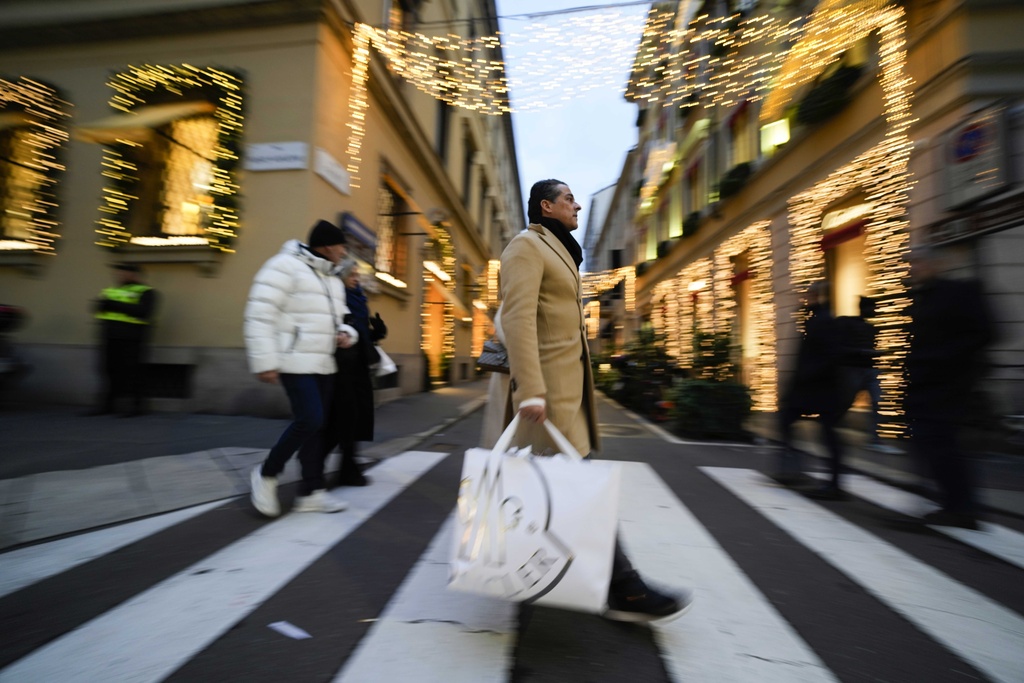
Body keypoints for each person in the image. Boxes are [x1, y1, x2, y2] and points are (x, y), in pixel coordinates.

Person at [499, 178, 693, 623]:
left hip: (565, 393)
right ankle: (626, 590)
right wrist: (530, 388)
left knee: (557, 494)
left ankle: (538, 577)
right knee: (580, 492)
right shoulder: (526, 246)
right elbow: (517, 318)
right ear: (546, 206)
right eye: (568, 199)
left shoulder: (560, 250)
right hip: (547, 397)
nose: (577, 206)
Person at [244, 220, 358, 517]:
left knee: (317, 427)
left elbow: (339, 320)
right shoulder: (284, 266)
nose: (345, 252)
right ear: (328, 246)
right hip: (294, 360)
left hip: (323, 362)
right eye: (342, 246)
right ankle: (267, 474)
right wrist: (265, 361)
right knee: (310, 420)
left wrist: (346, 333)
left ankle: (311, 493)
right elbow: (259, 313)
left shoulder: (332, 279)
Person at [904, 246, 995, 529]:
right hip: (926, 384)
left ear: (935, 263)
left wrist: (944, 358)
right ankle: (953, 503)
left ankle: (962, 508)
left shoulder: (961, 291)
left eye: (917, 262)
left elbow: (985, 333)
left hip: (949, 383)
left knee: (945, 445)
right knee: (932, 443)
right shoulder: (922, 296)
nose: (913, 268)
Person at [774, 281, 847, 499]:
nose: (802, 298)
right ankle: (799, 470)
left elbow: (828, 356)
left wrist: (804, 376)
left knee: (827, 434)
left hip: (819, 388)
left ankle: (832, 483)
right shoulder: (815, 318)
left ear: (816, 295)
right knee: (793, 422)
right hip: (811, 388)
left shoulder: (824, 320)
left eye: (807, 295)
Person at [319, 258, 387, 487]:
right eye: (352, 275)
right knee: (341, 420)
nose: (356, 278)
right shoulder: (338, 299)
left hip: (358, 369)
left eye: (357, 274)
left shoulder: (358, 299)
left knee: (354, 420)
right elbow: (340, 332)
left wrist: (376, 333)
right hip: (342, 370)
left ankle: (347, 467)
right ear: (342, 278)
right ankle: (315, 466)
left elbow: (359, 334)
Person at [88, 263, 158, 417]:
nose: (119, 276)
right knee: (108, 371)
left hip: (132, 338)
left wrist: (113, 305)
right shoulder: (111, 291)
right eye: (118, 273)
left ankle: (137, 407)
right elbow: (98, 308)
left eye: (123, 273)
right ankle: (107, 405)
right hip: (110, 337)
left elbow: (143, 312)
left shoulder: (146, 292)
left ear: (134, 275)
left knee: (133, 373)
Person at [836, 296, 901, 453]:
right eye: (872, 309)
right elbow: (842, 348)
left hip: (869, 369)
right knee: (846, 402)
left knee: (877, 402)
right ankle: (830, 429)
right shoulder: (849, 324)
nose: (875, 312)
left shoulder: (870, 328)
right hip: (854, 369)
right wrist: (863, 352)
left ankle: (874, 438)